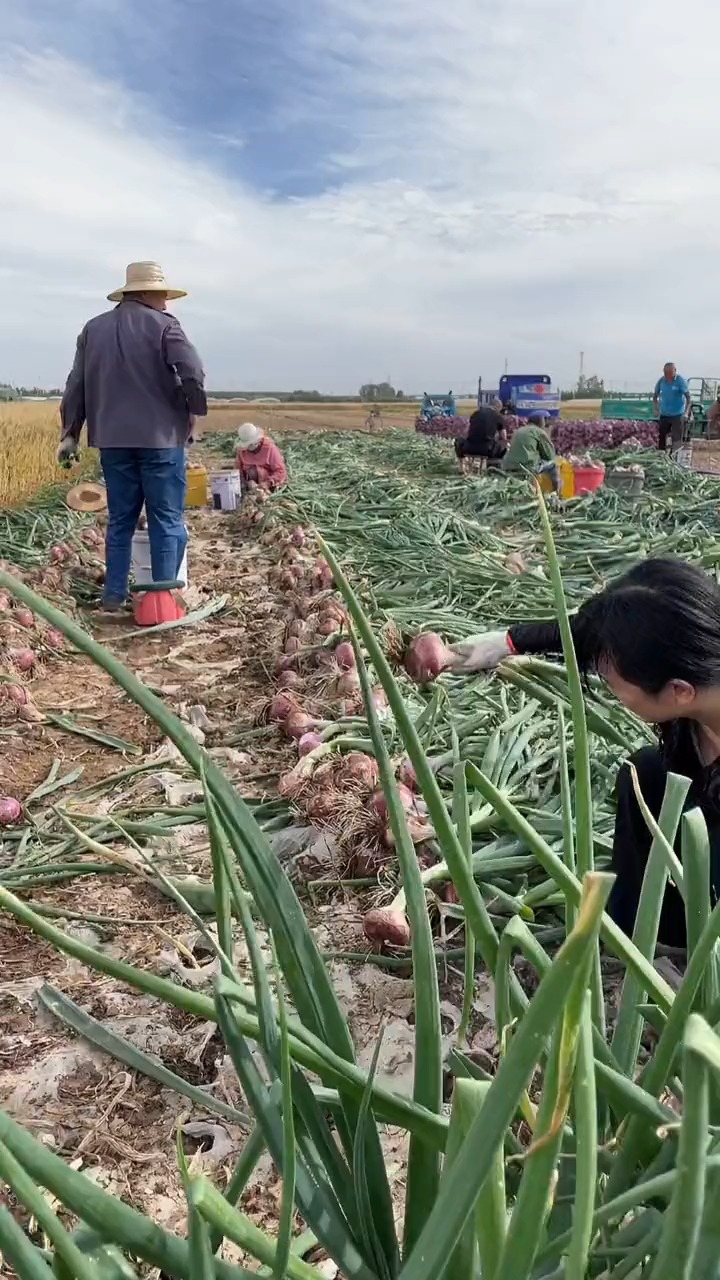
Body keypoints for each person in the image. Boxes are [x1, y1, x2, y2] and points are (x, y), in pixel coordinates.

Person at [432, 557, 720, 946]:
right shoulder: (697, 643)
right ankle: (639, 928)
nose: (609, 687)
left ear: (678, 691)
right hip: (694, 781)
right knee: (646, 772)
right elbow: (592, 630)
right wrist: (505, 643)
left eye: (614, 681)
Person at [59, 261, 206, 610]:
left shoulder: (92, 330)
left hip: (112, 440)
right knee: (165, 518)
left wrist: (69, 434)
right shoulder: (166, 327)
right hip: (161, 440)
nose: (165, 304)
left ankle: (113, 597)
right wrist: (193, 410)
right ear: (144, 293)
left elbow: (76, 384)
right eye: (161, 295)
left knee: (121, 520)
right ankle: (161, 600)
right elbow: (194, 371)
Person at [502, 411, 559, 492]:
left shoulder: (519, 430)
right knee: (553, 465)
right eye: (545, 420)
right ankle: (556, 493)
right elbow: (550, 456)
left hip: (507, 466)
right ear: (542, 420)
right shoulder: (539, 432)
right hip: (527, 467)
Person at [454, 405, 507, 473]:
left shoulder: (475, 413)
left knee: (458, 441)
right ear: (498, 408)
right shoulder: (498, 416)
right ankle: (492, 468)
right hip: (487, 450)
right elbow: (503, 436)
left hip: (469, 448)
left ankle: (461, 468)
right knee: (502, 445)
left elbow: (466, 431)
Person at [235, 423, 287, 490]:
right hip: (251, 487)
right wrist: (247, 483)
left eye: (250, 444)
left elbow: (280, 471)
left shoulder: (269, 449)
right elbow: (238, 472)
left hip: (270, 486)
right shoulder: (242, 452)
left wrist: (267, 483)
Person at [652, 362, 690, 452]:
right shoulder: (661, 381)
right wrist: (656, 409)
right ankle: (661, 456)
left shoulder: (680, 381)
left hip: (677, 414)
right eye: (665, 372)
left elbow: (688, 398)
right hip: (664, 414)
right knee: (661, 437)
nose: (667, 375)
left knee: (676, 438)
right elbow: (655, 396)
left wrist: (686, 412)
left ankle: (674, 457)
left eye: (669, 372)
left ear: (675, 371)